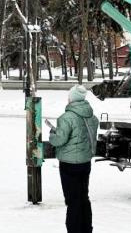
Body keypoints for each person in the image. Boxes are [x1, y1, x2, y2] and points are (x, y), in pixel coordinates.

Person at [48, 85, 99, 233]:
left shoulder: (66, 118)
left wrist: (53, 134)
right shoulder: (92, 117)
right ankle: (86, 229)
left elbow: (59, 140)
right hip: (85, 162)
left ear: (72, 99)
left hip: (69, 165)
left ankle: (74, 230)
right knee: (83, 197)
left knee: (72, 201)